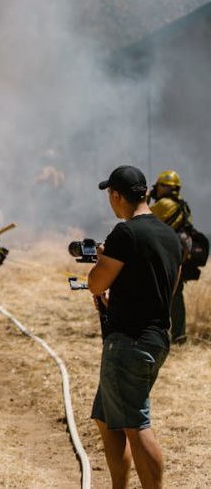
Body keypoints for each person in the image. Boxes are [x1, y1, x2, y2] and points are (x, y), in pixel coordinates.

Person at [88, 165, 182, 489]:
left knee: (136, 424)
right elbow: (165, 290)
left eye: (110, 197)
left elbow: (95, 283)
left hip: (128, 343)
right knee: (105, 417)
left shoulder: (124, 233)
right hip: (155, 340)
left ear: (116, 196)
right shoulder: (169, 236)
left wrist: (102, 260)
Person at [148, 170, 191, 344]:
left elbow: (139, 217)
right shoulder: (182, 205)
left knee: (154, 293)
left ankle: (153, 333)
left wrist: (146, 199)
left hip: (162, 256)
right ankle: (179, 335)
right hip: (177, 256)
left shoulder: (164, 204)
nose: (156, 189)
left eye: (158, 186)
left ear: (166, 187)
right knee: (176, 296)